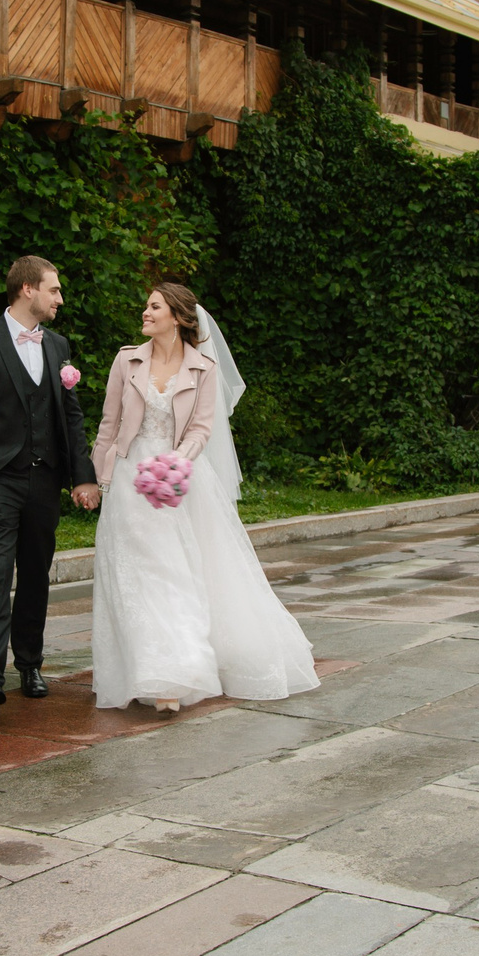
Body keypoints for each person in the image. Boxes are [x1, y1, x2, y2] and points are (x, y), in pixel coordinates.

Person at [88, 282, 318, 714]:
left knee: (174, 573)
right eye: (146, 306)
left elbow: (201, 428)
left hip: (178, 481)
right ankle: (143, 669)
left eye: (154, 306)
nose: (145, 312)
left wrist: (177, 463)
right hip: (128, 481)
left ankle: (175, 673)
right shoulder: (125, 360)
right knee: (130, 576)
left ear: (176, 316)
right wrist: (99, 480)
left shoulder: (203, 368)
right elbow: (109, 422)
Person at [0, 256, 100, 720]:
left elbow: (71, 416)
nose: (60, 299)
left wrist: (82, 474)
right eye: (54, 289)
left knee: (35, 574)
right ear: (28, 289)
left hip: (45, 478)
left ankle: (29, 665)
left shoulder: (58, 346)